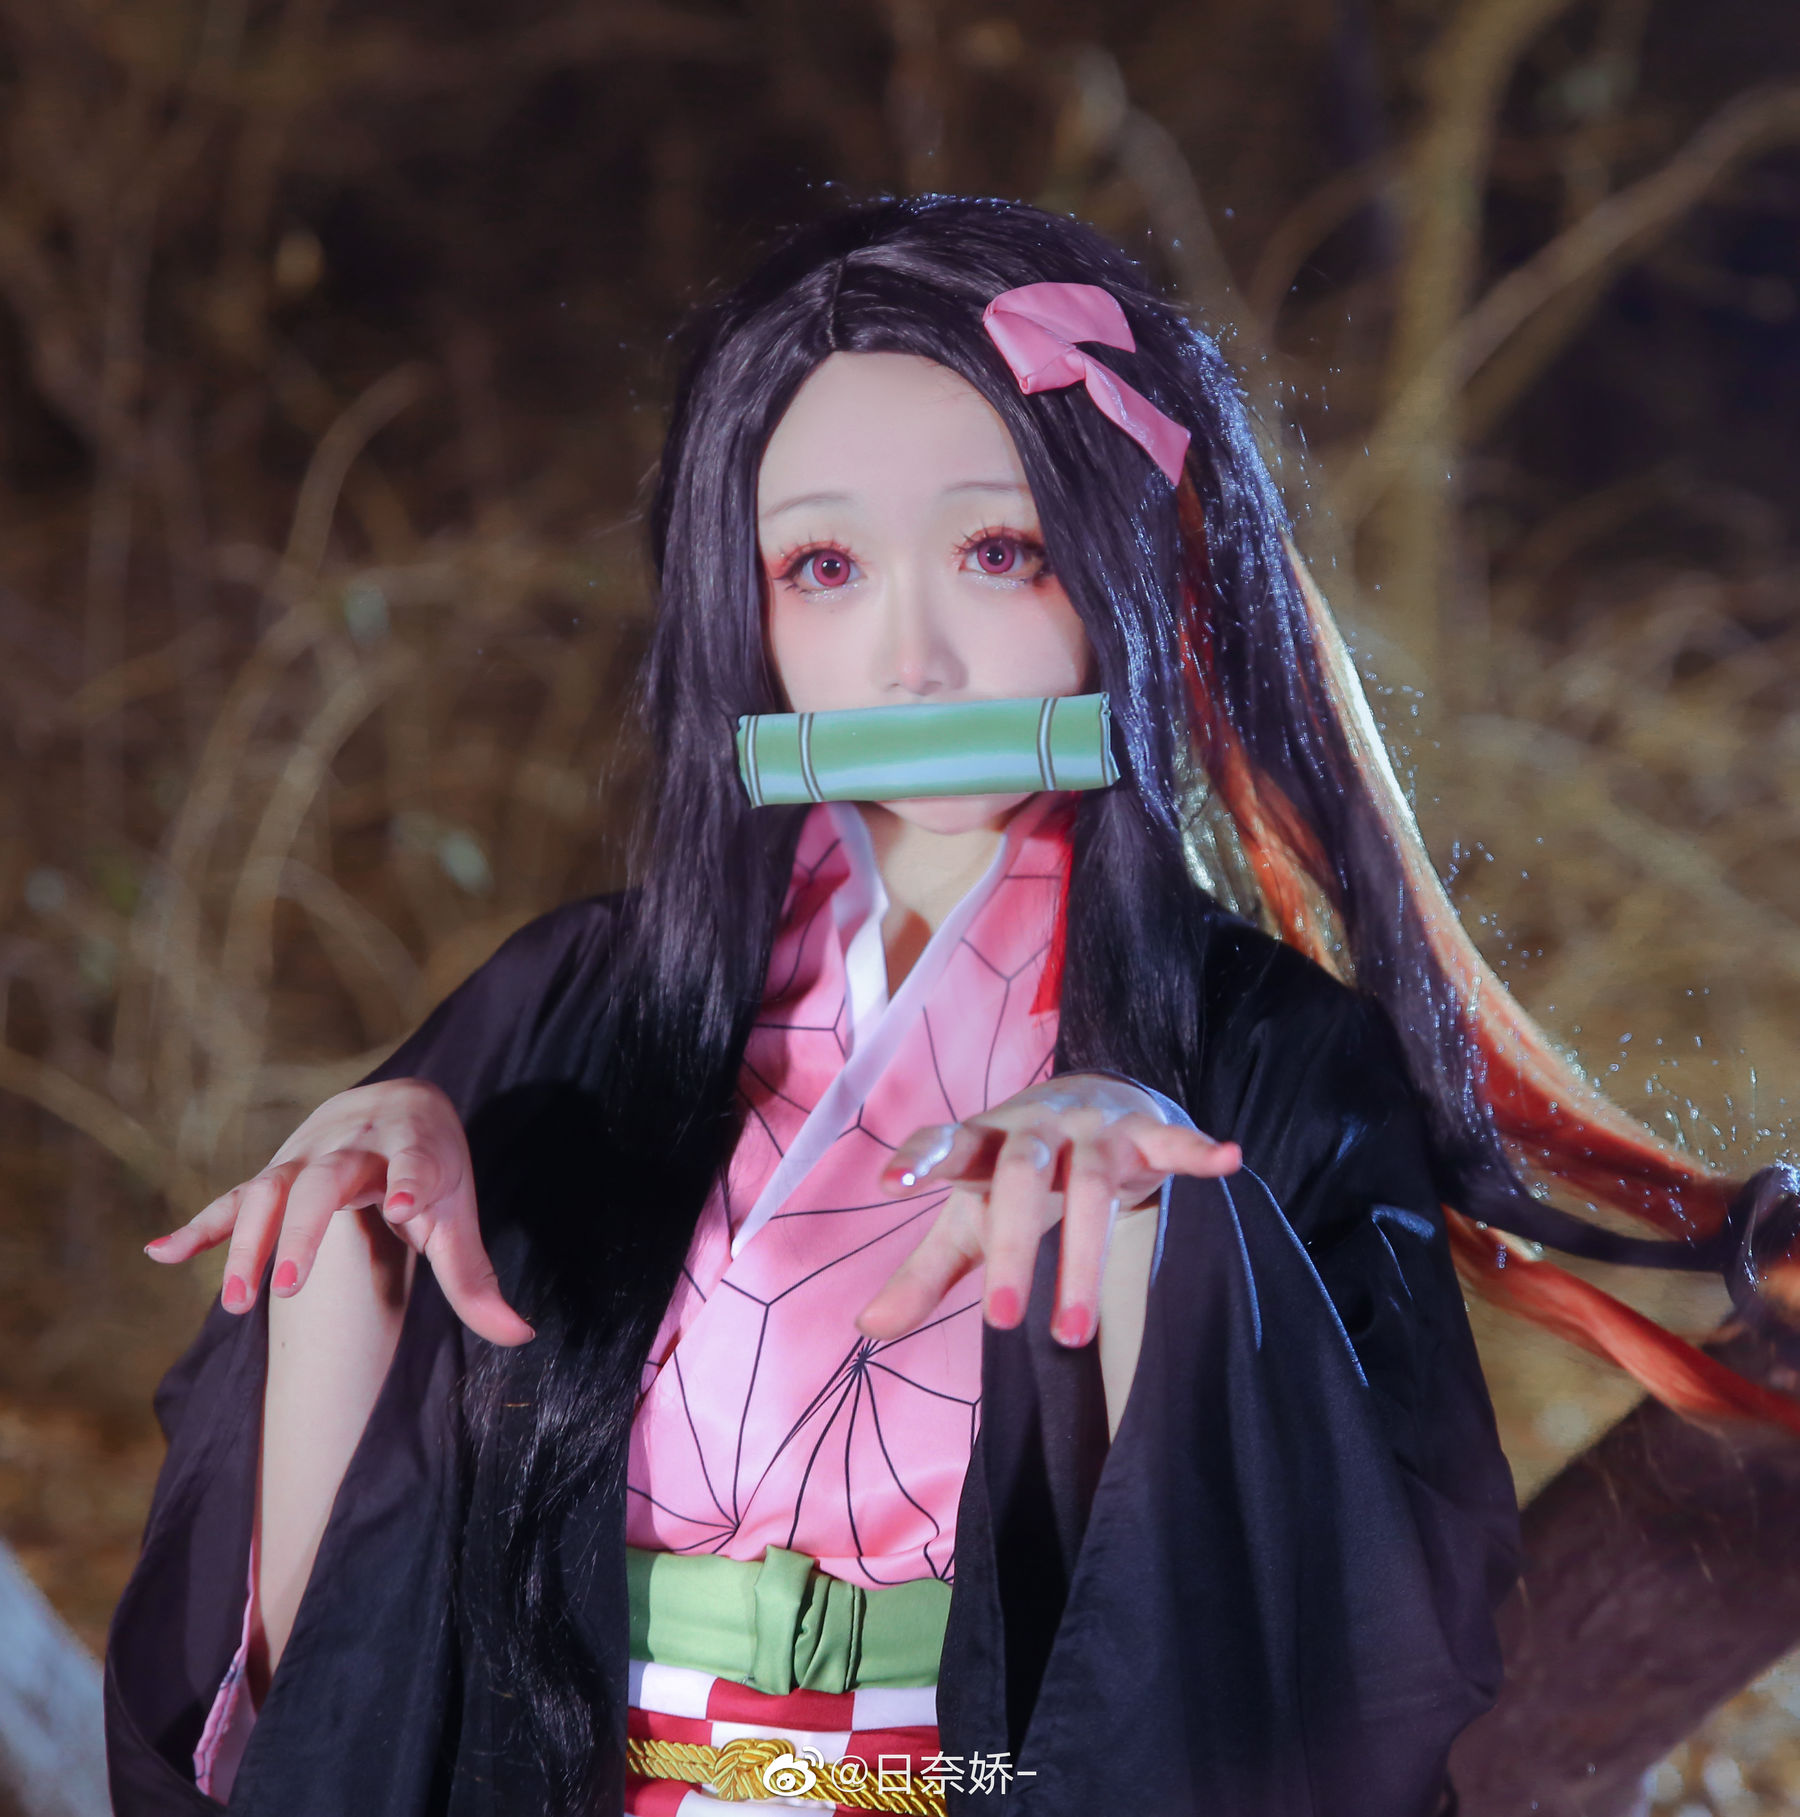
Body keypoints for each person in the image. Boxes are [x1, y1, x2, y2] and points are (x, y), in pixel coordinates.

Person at [106, 194, 1544, 1817]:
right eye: (826, 566)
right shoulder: (574, 1014)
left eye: (999, 553)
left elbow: (1378, 1620)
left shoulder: (1273, 1051)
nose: (910, 657)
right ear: (744, 608)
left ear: (1126, 567)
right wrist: (349, 1249)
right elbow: (341, 1671)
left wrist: (1161, 1223)